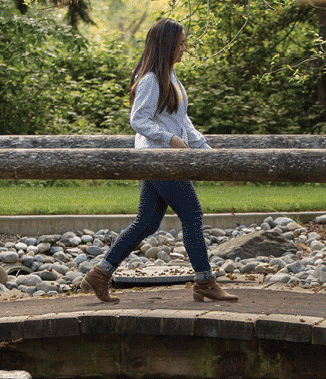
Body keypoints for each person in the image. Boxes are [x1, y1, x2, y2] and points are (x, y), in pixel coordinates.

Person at [81, 17, 238, 304]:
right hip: (158, 160)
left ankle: (99, 274)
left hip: (162, 159)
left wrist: (206, 152)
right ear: (167, 45)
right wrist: (170, 139)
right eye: (181, 44)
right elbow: (138, 119)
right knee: (192, 215)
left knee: (147, 222)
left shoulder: (171, 77)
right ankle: (205, 281)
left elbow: (183, 122)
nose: (184, 49)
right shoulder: (151, 80)